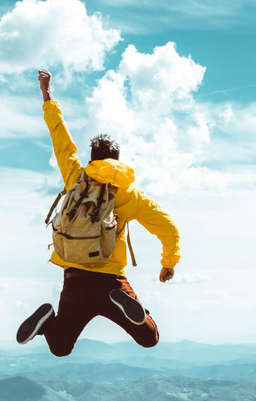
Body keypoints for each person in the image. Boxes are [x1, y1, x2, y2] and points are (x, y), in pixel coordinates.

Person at [17, 69, 180, 356]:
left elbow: (61, 140)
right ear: (118, 160)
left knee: (60, 347)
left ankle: (45, 322)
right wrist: (168, 262)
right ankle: (130, 305)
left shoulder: (76, 177)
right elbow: (168, 226)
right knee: (149, 337)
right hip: (111, 281)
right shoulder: (129, 194)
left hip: (74, 280)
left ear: (92, 159)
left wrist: (47, 95)